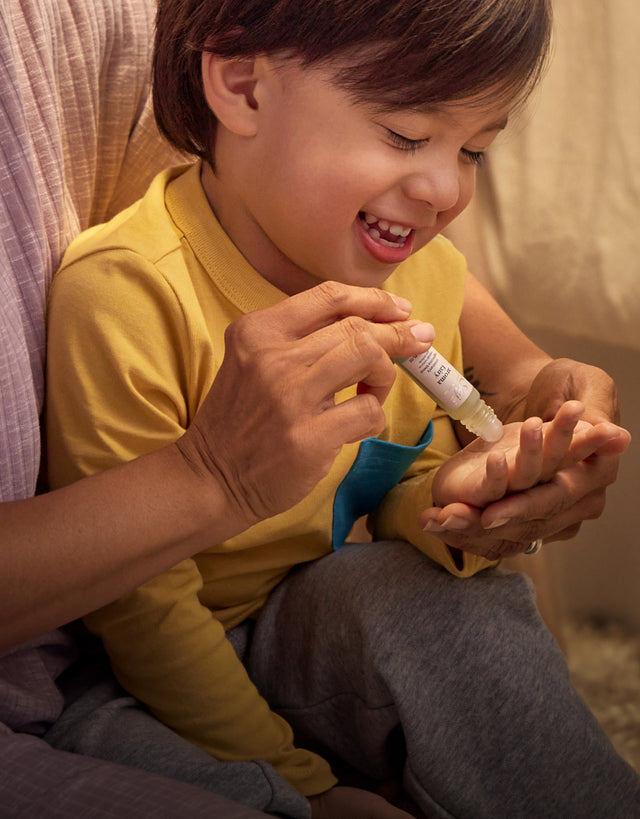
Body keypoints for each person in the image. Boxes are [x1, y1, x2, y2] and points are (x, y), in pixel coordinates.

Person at [41, 1, 639, 818]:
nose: (443, 190)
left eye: (474, 151)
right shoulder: (126, 294)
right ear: (244, 86)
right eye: (403, 135)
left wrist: (457, 499)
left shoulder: (421, 273)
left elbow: (392, 480)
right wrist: (311, 787)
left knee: (461, 613)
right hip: (135, 672)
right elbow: (140, 609)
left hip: (302, 621)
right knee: (149, 768)